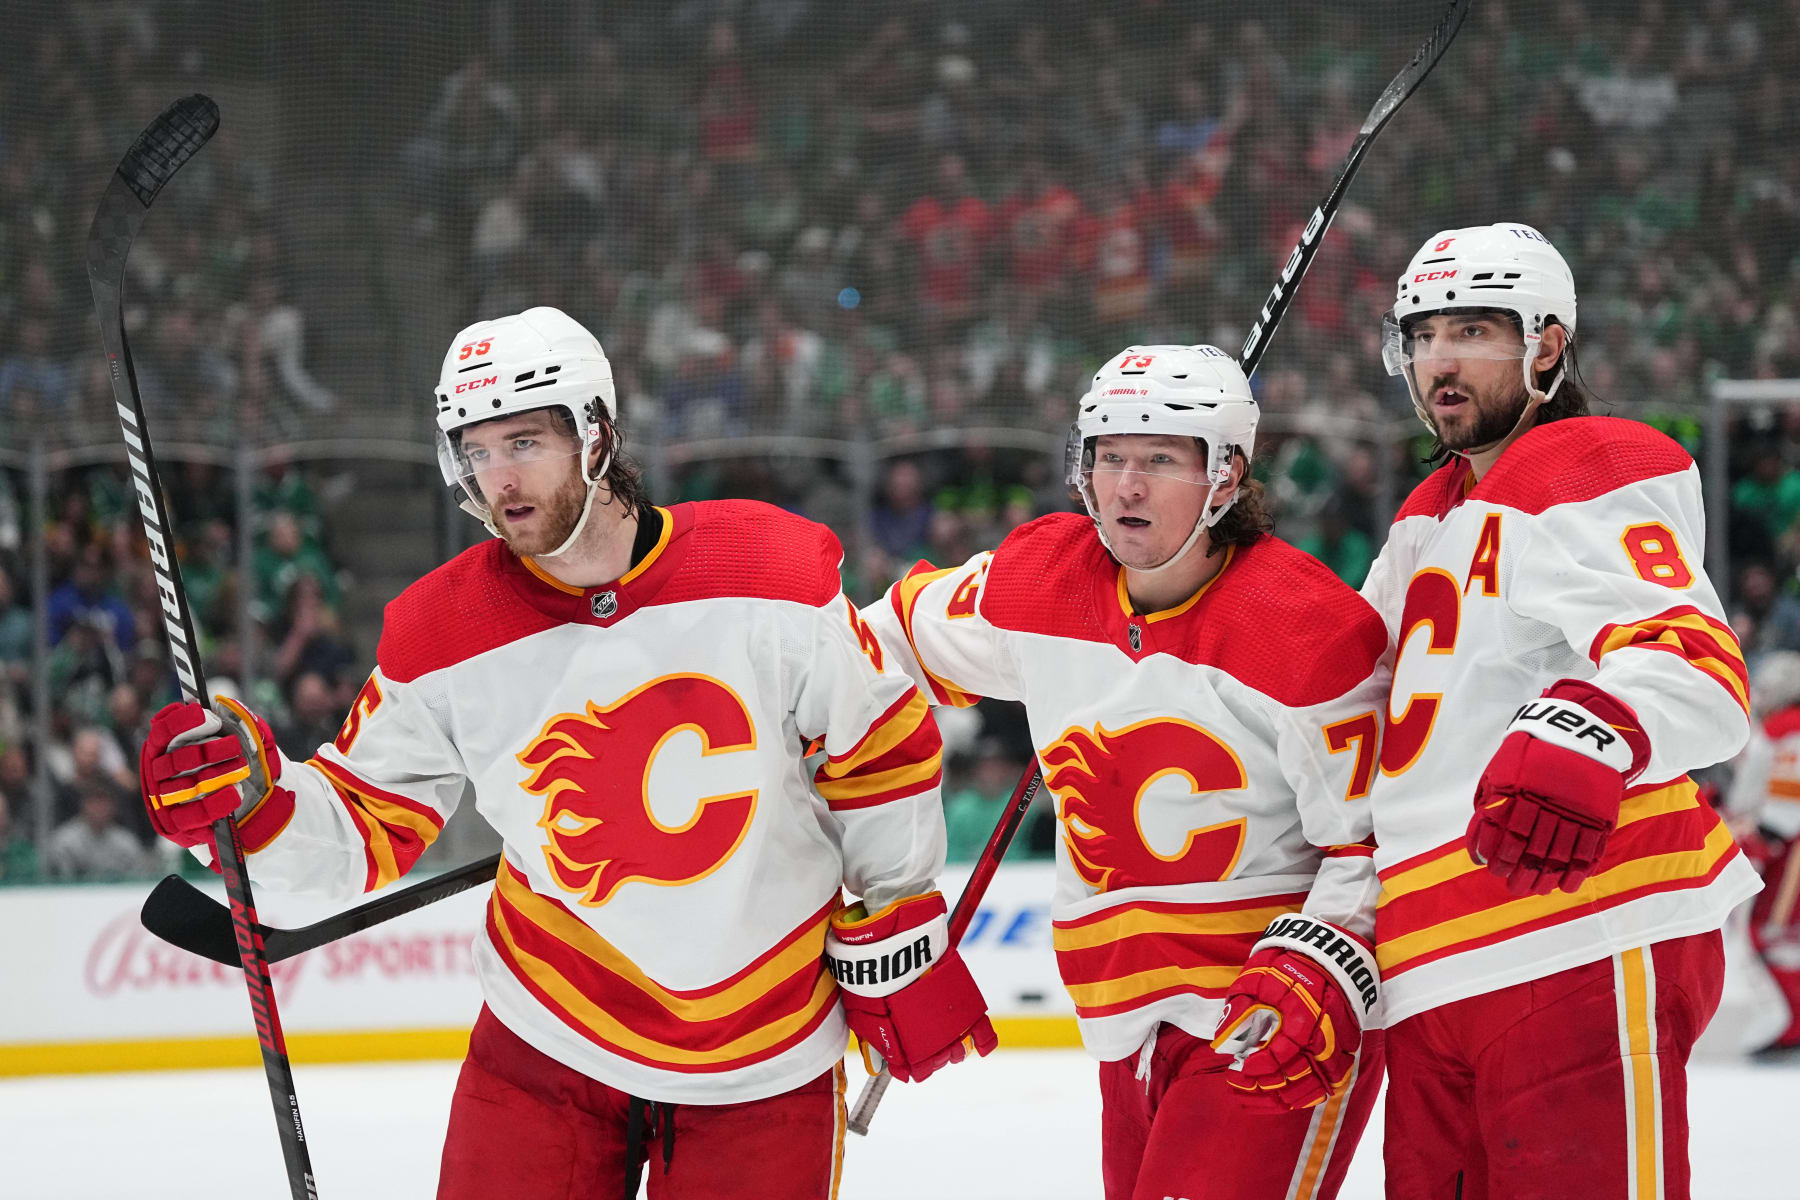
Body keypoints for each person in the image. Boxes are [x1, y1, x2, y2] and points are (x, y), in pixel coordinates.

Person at [135, 307, 993, 1200]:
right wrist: (253, 808)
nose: (499, 478)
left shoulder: (767, 571)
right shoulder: (443, 630)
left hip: (764, 1056)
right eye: (476, 450)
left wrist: (897, 908)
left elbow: (875, 743)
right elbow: (361, 821)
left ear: (598, 433)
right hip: (548, 1039)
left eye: (524, 442)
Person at [866, 344, 1392, 1200]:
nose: (1127, 486)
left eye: (1158, 459)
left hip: (1264, 1011)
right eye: (1108, 456)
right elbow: (879, 645)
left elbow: (1374, 837)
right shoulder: (1041, 582)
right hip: (1124, 1023)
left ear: (1225, 477)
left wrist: (1325, 955)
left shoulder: (1307, 631)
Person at [1364, 222, 1760, 1199]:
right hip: (1429, 968)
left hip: (1572, 929)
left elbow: (1691, 667)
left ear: (1546, 344)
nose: (1438, 361)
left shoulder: (1583, 460)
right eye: (1421, 336)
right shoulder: (1424, 517)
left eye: (1470, 331)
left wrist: (1593, 723)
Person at [1724, 650, 1800, 1056]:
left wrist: (1767, 833)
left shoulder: (1789, 727)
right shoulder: (1779, 726)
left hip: (1790, 848)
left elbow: (1788, 793)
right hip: (1784, 840)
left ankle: (1793, 1023)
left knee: (1775, 933)